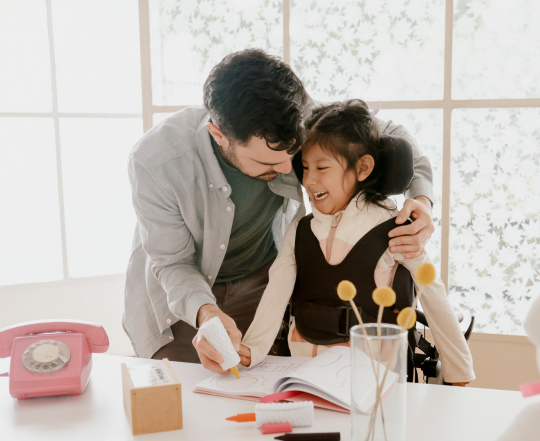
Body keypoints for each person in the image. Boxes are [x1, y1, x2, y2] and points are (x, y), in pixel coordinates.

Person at [124, 49, 437, 363]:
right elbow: (173, 264)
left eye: (294, 152)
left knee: (264, 388)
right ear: (219, 135)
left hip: (263, 280)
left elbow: (394, 137)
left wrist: (422, 201)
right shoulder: (156, 162)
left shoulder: (301, 115)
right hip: (181, 294)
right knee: (186, 396)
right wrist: (205, 313)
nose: (291, 170)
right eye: (268, 161)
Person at [195, 100, 475, 385]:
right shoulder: (301, 229)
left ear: (363, 169)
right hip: (305, 370)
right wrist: (252, 349)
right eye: (304, 167)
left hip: (375, 375)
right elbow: (277, 290)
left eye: (322, 167)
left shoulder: (397, 228)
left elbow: (433, 293)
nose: (310, 180)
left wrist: (458, 370)